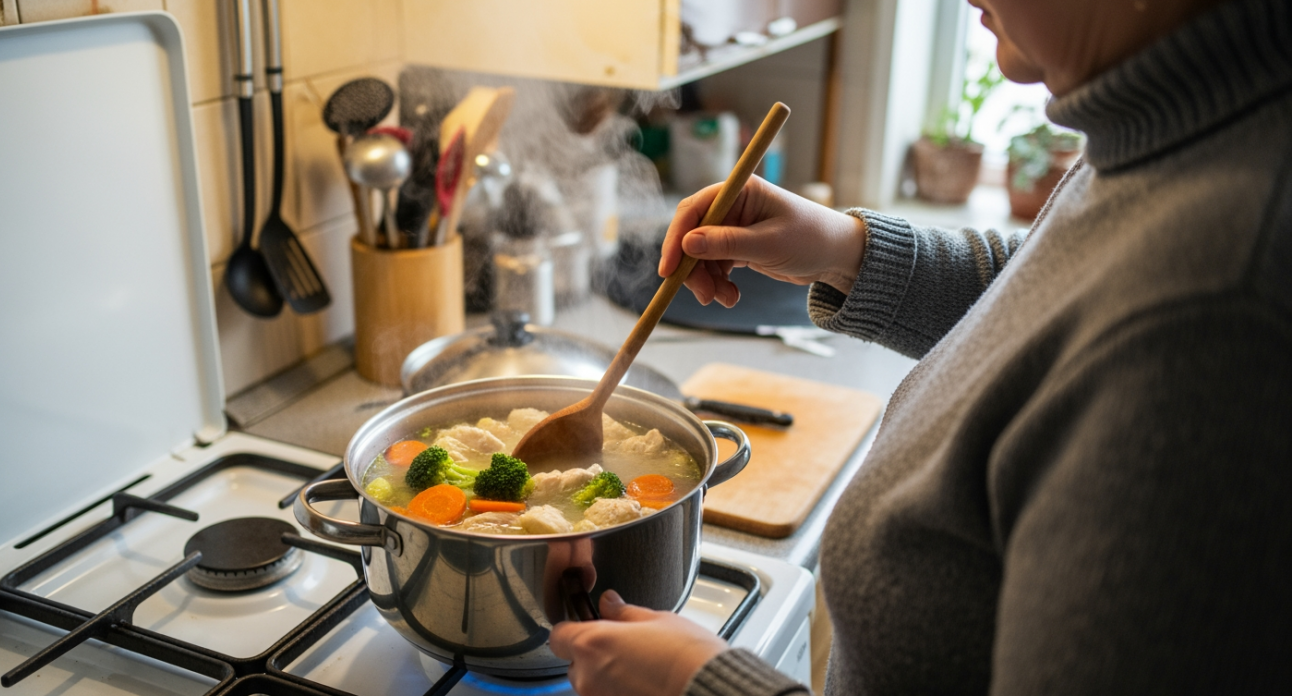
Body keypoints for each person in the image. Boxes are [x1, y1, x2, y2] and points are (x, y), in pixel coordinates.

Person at [549, 0, 1292, 693]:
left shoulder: (1218, 323)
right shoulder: (1169, 131)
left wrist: (702, 684)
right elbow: (1057, 296)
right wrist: (850, 251)